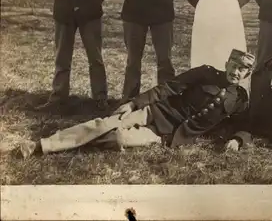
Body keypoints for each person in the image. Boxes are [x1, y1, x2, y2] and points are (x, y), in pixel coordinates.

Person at [17, 49, 255, 158]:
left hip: (168, 133)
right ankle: (42, 145)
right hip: (154, 111)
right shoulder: (205, 73)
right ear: (227, 63)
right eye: (234, 66)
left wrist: (236, 140)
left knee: (119, 138)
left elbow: (244, 126)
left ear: (246, 75)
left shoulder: (240, 101)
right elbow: (168, 87)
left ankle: (75, 142)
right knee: (104, 124)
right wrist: (134, 104)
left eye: (242, 70)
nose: (236, 72)